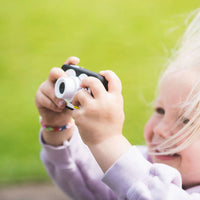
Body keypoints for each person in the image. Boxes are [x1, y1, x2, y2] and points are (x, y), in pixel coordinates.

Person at [35, 11, 200, 200]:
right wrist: (57, 126)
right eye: (160, 110)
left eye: (187, 121)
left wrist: (108, 141)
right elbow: (87, 182)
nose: (160, 130)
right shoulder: (146, 161)